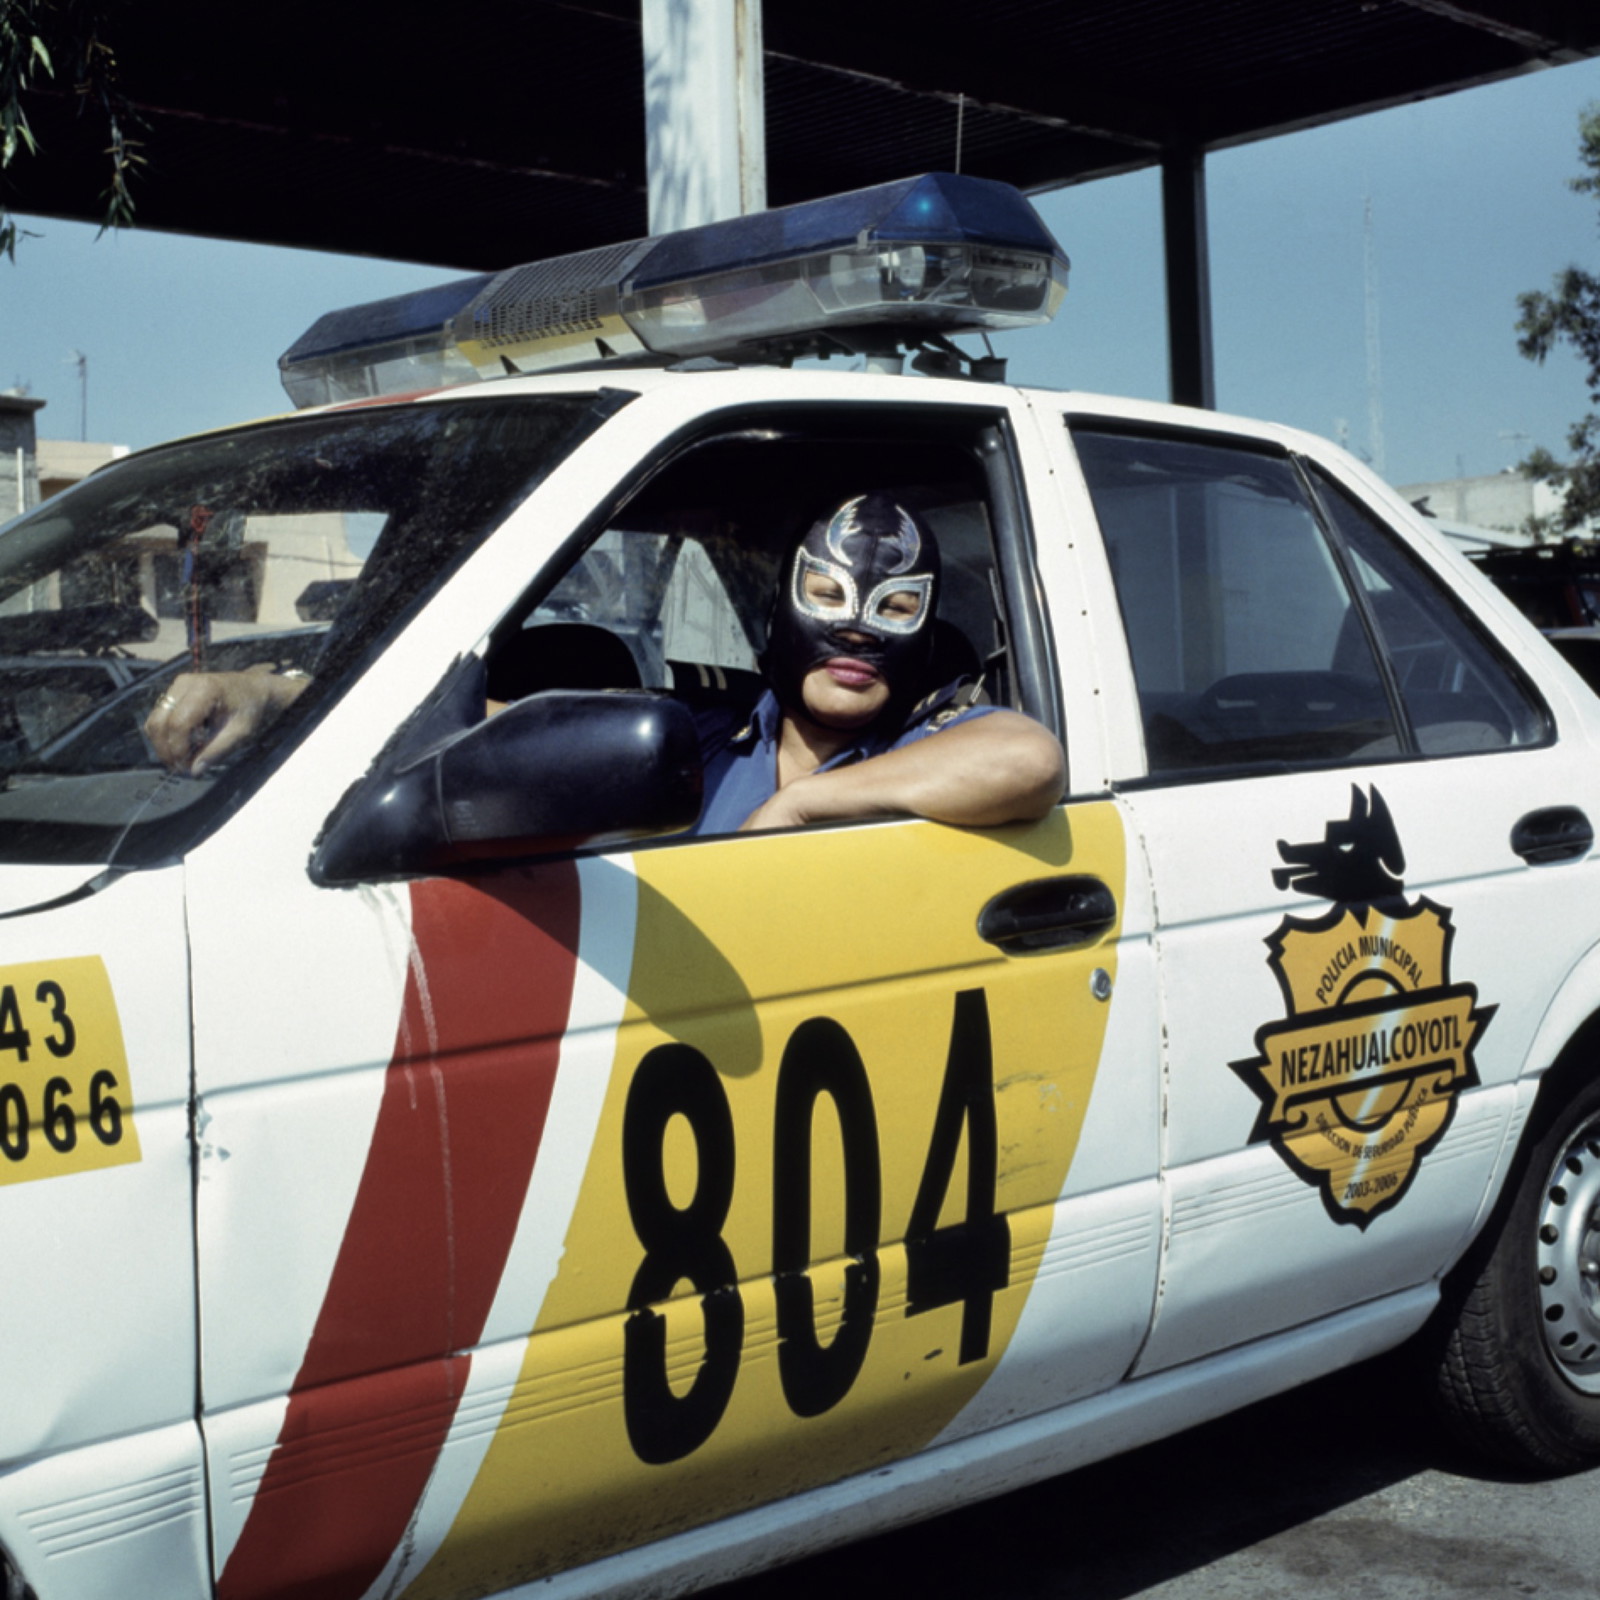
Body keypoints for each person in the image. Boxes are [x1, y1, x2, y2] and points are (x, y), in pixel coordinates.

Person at [144, 491, 1064, 833]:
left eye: (895, 611)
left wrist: (807, 801)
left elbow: (1028, 760)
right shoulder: (699, 730)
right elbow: (476, 727)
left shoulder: (926, 742)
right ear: (782, 613)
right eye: (828, 601)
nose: (858, 636)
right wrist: (273, 692)